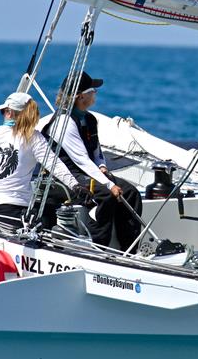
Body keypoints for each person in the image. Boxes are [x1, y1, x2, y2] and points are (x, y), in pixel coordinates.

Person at [43, 72, 143, 251]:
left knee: (130, 193)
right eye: (93, 91)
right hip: (66, 175)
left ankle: (129, 249)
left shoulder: (89, 119)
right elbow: (81, 160)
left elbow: (96, 153)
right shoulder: (63, 123)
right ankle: (98, 248)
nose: (95, 93)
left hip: (87, 172)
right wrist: (109, 184)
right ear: (81, 96)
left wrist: (102, 167)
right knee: (104, 194)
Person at [0, 92, 81, 230]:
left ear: (10, 113)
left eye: (3, 111)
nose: (3, 114)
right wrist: (75, 185)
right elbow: (54, 164)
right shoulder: (33, 137)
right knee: (49, 217)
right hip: (13, 211)